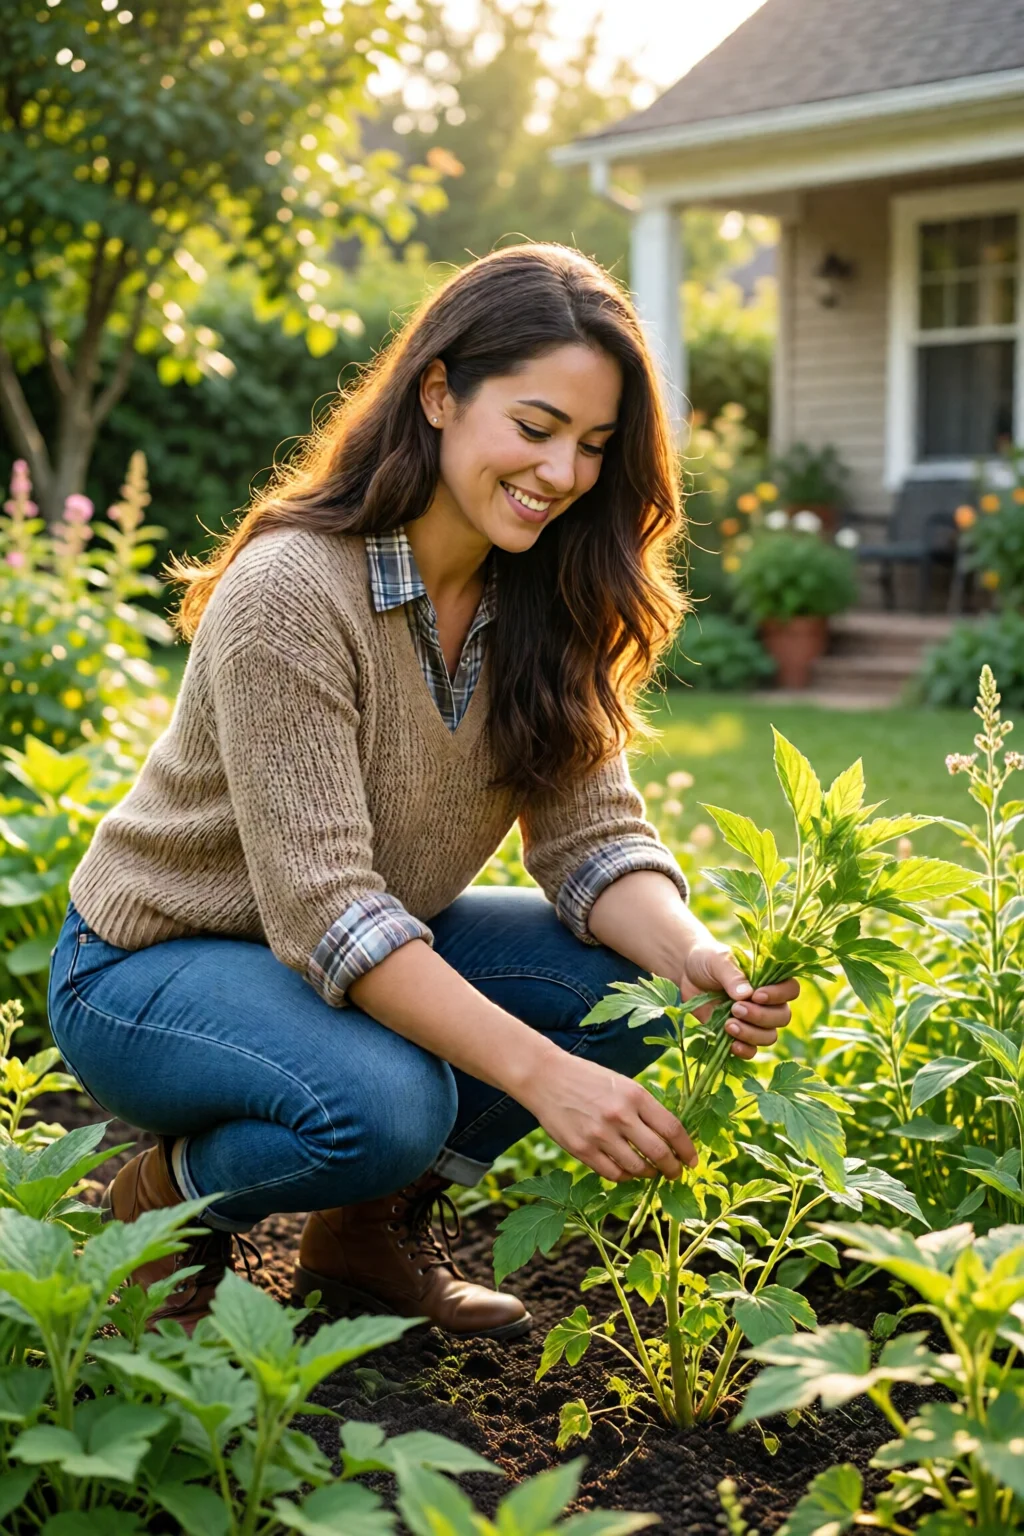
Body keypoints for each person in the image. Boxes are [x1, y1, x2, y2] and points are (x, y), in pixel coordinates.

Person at [47, 244, 797, 1339]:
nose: (563, 472)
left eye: (593, 445)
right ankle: (160, 1203)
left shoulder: (546, 594)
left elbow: (592, 841)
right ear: (439, 393)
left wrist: (694, 959)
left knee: (643, 995)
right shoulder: (292, 590)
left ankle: (362, 1238)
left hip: (340, 958)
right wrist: (545, 1078)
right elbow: (327, 910)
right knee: (390, 1103)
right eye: (535, 427)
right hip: (148, 973)